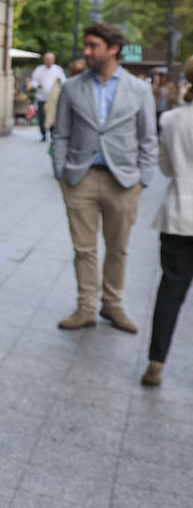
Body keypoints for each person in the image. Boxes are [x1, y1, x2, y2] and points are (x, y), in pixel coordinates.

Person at [51, 23, 157, 334]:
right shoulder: (72, 87)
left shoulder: (138, 90)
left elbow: (149, 138)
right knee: (84, 249)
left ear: (113, 49)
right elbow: (61, 134)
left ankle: (112, 304)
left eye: (93, 45)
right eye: (86, 45)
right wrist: (62, 173)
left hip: (123, 182)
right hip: (81, 179)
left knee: (118, 247)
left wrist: (142, 180)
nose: (87, 51)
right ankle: (85, 308)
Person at [145, 56, 193, 386]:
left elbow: (165, 168)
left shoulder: (173, 119)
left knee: (171, 291)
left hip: (179, 213)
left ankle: (155, 362)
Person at [30, 52, 66, 141]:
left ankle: (52, 132)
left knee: (53, 116)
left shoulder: (58, 69)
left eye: (50, 59)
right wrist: (38, 85)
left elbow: (64, 81)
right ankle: (43, 134)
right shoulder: (39, 69)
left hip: (53, 99)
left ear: (53, 60)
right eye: (47, 59)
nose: (48, 61)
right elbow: (33, 81)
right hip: (42, 97)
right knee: (42, 117)